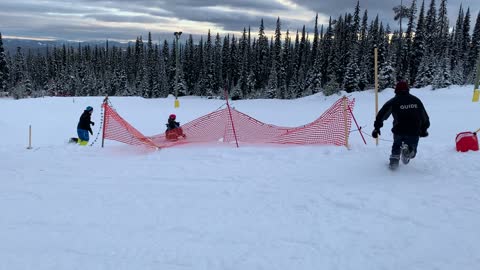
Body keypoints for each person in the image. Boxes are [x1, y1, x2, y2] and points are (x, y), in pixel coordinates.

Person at [372, 81, 430, 169]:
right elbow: (424, 116)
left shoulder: (393, 101)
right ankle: (409, 151)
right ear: (407, 89)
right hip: (414, 131)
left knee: (396, 146)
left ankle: (393, 163)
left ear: (396, 90)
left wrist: (377, 128)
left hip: (399, 130)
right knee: (412, 148)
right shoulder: (416, 100)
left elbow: (381, 115)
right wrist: (424, 129)